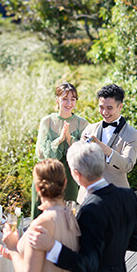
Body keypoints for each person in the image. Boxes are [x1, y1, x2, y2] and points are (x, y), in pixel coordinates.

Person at [26, 141, 137, 272]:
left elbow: (88, 265)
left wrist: (52, 246)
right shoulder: (128, 196)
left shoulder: (90, 210)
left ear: (76, 174)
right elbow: (134, 243)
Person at [0, 158, 96, 272]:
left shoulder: (41, 224)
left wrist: (12, 249)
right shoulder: (69, 215)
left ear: (37, 188)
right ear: (64, 183)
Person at [31, 82, 89, 218]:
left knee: (67, 216)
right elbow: (40, 153)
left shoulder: (83, 123)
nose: (69, 103)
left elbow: (84, 153)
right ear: (57, 100)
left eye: (73, 99)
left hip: (71, 176)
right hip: (47, 173)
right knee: (41, 215)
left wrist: (70, 139)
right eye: (64, 98)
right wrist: (60, 139)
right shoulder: (47, 121)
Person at [78, 84, 137, 201]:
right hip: (88, 196)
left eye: (109, 108)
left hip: (116, 198)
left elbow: (127, 165)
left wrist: (105, 149)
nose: (105, 112)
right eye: (101, 107)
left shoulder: (132, 134)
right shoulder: (89, 129)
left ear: (120, 107)